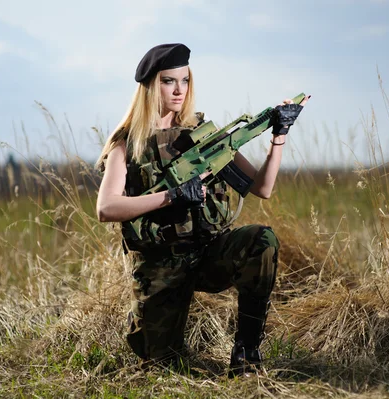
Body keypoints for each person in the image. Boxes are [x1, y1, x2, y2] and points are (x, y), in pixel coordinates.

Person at [95, 43, 308, 377]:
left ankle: (246, 356)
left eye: (184, 80)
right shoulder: (128, 143)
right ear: (152, 86)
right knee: (162, 366)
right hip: (159, 268)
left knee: (260, 241)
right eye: (169, 81)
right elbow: (106, 208)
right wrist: (173, 196)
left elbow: (262, 188)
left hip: (208, 253)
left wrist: (278, 135)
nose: (179, 90)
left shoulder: (202, 136)